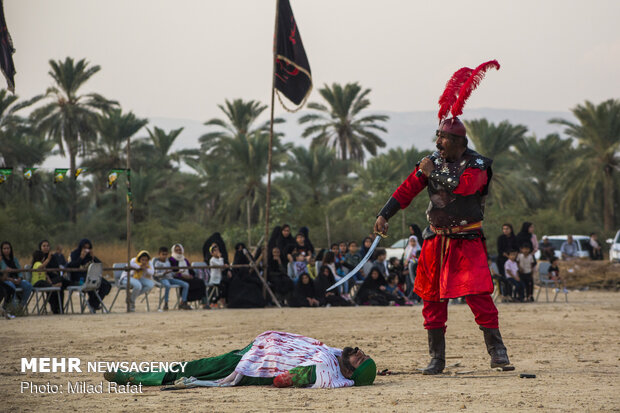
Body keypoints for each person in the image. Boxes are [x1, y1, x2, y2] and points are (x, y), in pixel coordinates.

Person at [373, 60, 512, 375]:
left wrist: (433, 172)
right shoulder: (430, 163)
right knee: (431, 299)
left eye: (444, 138)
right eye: (437, 136)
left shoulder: (477, 165)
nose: (438, 142)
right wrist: (384, 213)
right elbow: (406, 190)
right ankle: (436, 359)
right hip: (436, 240)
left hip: (468, 241)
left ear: (460, 142)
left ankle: (498, 352)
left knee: (479, 296)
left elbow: (464, 190)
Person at [104, 331, 376, 389]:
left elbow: (285, 380)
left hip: (251, 364)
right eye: (360, 353)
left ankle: (133, 376)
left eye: (358, 359)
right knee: (198, 365)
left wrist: (283, 374)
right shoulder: (334, 353)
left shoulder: (328, 370)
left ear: (350, 372)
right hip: (256, 352)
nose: (357, 353)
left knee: (197, 368)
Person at [67, 238, 111, 312]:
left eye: (88, 248)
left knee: (106, 285)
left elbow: (99, 265)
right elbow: (70, 266)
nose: (86, 250)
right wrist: (81, 257)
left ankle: (93, 303)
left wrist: (93, 257)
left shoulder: (90, 256)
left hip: (90, 277)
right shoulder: (74, 254)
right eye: (84, 248)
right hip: (78, 278)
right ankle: (93, 303)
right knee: (90, 285)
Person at [152, 247, 191, 311]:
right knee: (167, 285)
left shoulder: (167, 262)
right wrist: (163, 273)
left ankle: (183, 302)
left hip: (170, 278)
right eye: (163, 254)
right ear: (159, 254)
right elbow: (155, 274)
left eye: (166, 254)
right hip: (162, 279)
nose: (164, 256)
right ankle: (166, 303)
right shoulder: (157, 263)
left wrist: (176, 273)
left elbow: (171, 272)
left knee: (186, 285)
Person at [37, 240, 70, 313]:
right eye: (44, 246)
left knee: (60, 286)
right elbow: (41, 269)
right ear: (40, 247)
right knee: (60, 282)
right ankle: (56, 308)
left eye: (47, 246)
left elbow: (56, 269)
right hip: (45, 280)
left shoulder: (53, 257)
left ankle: (59, 308)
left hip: (55, 277)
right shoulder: (39, 257)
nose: (46, 248)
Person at [1, 241, 34, 310]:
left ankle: (20, 306)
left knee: (28, 286)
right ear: (1, 250)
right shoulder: (1, 260)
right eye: (4, 248)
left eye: (8, 248)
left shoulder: (14, 259)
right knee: (11, 286)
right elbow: (5, 270)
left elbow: (19, 270)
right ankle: (13, 308)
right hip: (6, 280)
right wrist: (10, 279)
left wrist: (20, 278)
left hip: (16, 279)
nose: (6, 250)